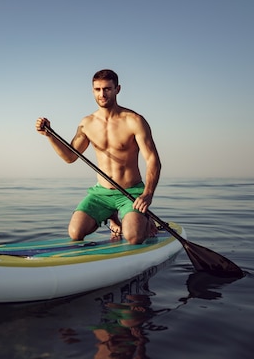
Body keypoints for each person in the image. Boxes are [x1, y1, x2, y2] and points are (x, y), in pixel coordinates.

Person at [36, 69, 161, 245]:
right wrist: (50, 136)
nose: (102, 94)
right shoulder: (87, 123)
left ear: (117, 89)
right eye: (97, 89)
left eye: (107, 89)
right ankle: (112, 215)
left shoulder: (134, 121)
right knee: (75, 232)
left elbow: (153, 160)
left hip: (130, 192)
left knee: (133, 237)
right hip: (101, 193)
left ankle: (145, 220)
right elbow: (70, 157)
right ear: (93, 90)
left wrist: (148, 194)